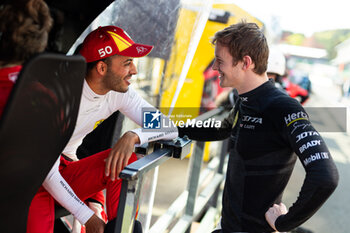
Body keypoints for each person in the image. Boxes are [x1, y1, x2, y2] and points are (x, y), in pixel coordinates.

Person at [0, 3, 178, 231]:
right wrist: (88, 217)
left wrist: (133, 136)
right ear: (102, 68)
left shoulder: (121, 92)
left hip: (62, 169)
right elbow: (45, 171)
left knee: (128, 161)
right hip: (36, 174)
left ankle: (121, 228)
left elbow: (169, 128)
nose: (134, 70)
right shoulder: (58, 94)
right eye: (127, 63)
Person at [178, 22, 339, 232]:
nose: (215, 68)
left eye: (219, 61)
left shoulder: (284, 107)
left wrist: (285, 222)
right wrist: (172, 129)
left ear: (245, 62)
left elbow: (325, 176)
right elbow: (223, 128)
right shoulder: (245, 100)